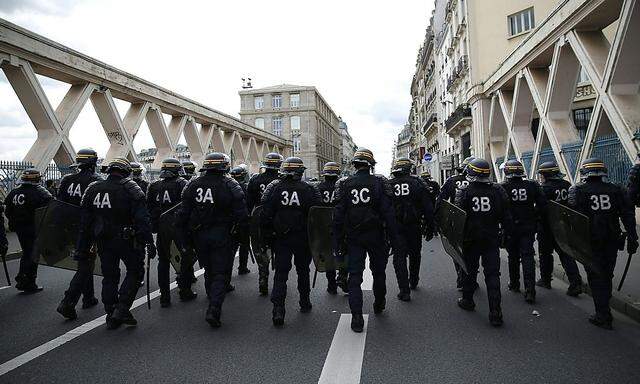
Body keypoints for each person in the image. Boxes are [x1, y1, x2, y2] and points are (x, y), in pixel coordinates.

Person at [76, 158, 156, 329]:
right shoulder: (131, 189)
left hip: (102, 239)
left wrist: (81, 246)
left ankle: (111, 309)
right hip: (127, 239)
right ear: (126, 172)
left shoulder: (93, 189)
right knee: (135, 272)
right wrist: (149, 242)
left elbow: (85, 222)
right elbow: (143, 220)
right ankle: (121, 308)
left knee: (110, 275)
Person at [333, 148, 403, 332]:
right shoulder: (379, 182)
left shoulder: (344, 184)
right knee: (379, 272)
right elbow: (389, 213)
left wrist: (337, 241)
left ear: (354, 165)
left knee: (354, 276)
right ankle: (379, 303)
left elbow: (338, 215)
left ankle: (356, 317)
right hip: (376, 236)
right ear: (371, 165)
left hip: (354, 237)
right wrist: (395, 239)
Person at [176, 153, 248, 327]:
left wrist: (183, 239)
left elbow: (183, 215)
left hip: (198, 235)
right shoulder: (231, 185)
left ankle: (211, 295)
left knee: (208, 267)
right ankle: (214, 308)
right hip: (222, 235)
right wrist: (243, 236)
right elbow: (241, 215)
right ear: (225, 167)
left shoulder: (192, 185)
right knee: (221, 272)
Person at [569, 158, 638, 329]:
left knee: (595, 275)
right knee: (607, 273)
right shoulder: (616, 189)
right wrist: (633, 237)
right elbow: (628, 215)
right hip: (612, 239)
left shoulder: (578, 190)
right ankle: (604, 308)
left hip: (590, 241)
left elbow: (573, 218)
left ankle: (603, 314)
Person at [260, 157, 320, 326]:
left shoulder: (275, 189)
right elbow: (317, 215)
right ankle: (305, 301)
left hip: (281, 239)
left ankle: (278, 309)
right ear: (301, 172)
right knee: (303, 271)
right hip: (302, 239)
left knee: (281, 274)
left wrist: (267, 237)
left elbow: (265, 214)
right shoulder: (309, 189)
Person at [455, 158, 512, 326]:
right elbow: (506, 216)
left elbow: (458, 217)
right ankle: (496, 311)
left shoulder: (464, 191)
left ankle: (468, 300)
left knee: (469, 271)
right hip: (491, 238)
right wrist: (506, 236)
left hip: (470, 239)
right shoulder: (498, 190)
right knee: (493, 274)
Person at [56, 149, 103, 319]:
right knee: (86, 265)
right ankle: (68, 301)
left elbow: (59, 205)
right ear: (93, 163)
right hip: (88, 229)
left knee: (85, 262)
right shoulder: (96, 181)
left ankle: (88, 297)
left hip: (70, 228)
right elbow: (99, 208)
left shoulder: (67, 180)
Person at [500, 159, 546, 304]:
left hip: (510, 227)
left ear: (507, 172)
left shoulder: (502, 187)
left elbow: (499, 208)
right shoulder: (532, 185)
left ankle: (514, 283)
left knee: (513, 256)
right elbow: (543, 205)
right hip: (528, 226)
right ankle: (530, 291)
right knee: (528, 257)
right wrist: (536, 219)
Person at [147, 158, 191, 307]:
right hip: (179, 226)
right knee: (185, 257)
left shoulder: (154, 186)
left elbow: (150, 209)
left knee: (163, 260)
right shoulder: (182, 184)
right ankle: (185, 290)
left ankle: (164, 297)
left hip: (162, 226)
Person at [388, 158, 434, 300]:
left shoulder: (389, 185)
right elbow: (428, 207)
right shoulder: (418, 183)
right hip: (414, 225)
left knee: (399, 257)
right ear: (409, 169)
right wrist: (430, 226)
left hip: (396, 227)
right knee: (415, 254)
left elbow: (383, 208)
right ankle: (413, 280)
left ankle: (404, 290)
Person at [536, 161, 583, 296]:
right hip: (564, 225)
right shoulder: (566, 184)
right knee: (566, 254)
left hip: (547, 227)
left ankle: (546, 279)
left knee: (545, 254)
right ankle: (575, 282)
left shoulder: (544, 189)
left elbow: (541, 209)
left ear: (546, 175)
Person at [4, 168, 53, 292]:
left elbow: (8, 211)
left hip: (19, 229)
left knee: (27, 252)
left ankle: (23, 278)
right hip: (33, 227)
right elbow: (47, 210)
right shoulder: (38, 193)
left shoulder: (13, 192)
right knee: (32, 254)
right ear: (37, 179)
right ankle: (27, 281)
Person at [246, 153, 283, 295]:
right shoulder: (282, 180)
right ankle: (279, 279)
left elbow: (249, 202)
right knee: (279, 247)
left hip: (258, 216)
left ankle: (263, 277)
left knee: (261, 247)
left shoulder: (255, 179)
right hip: (277, 217)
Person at [436, 156, 475, 290]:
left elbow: (441, 200)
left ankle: (461, 276)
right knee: (472, 253)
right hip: (475, 222)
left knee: (457, 251)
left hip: (457, 221)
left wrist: (439, 220)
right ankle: (471, 279)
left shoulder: (452, 181)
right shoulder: (482, 183)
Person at [316, 161, 346, 294]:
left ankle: (331, 285)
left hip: (324, 225)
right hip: (340, 225)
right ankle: (343, 275)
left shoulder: (318, 187)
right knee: (344, 251)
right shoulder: (343, 187)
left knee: (328, 255)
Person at [230, 166, 251, 275]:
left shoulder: (228, 186)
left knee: (231, 247)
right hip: (243, 220)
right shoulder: (245, 187)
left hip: (231, 221)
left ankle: (228, 271)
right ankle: (242, 267)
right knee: (244, 244)